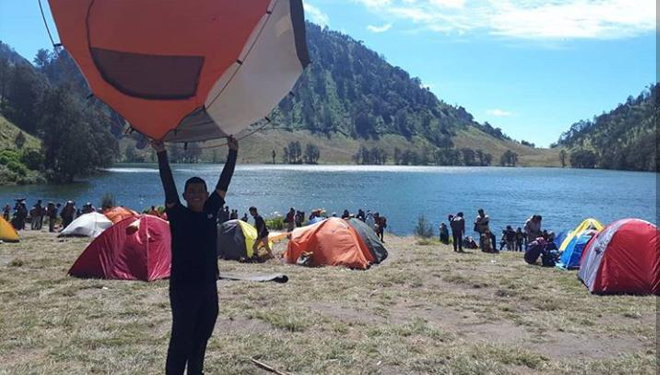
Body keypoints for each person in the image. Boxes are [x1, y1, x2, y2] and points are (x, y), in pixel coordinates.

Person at [153, 136, 238, 375]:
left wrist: (233, 152)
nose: (196, 194)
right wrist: (161, 152)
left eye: (200, 191)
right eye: (191, 191)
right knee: (181, 337)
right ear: (184, 195)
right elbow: (167, 182)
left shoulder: (211, 210)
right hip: (183, 287)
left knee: (202, 336)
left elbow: (225, 181)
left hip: (208, 285)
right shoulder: (177, 214)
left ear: (206, 193)